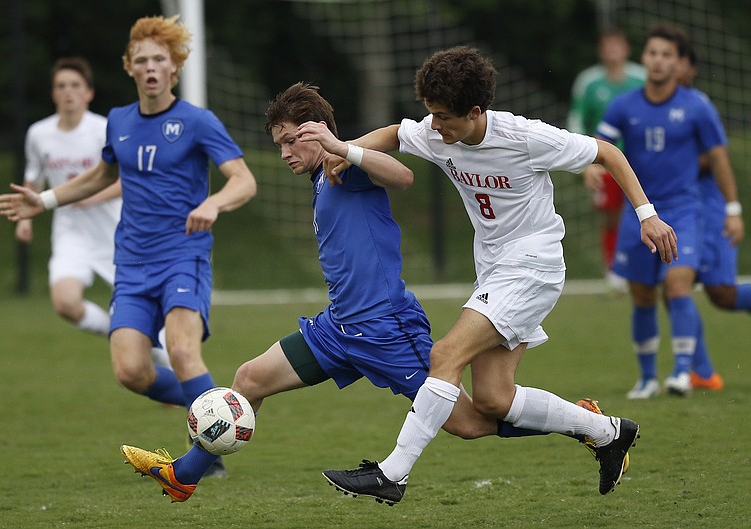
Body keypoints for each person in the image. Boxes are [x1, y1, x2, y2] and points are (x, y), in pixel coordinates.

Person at [118, 82, 623, 503]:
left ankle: (584, 424)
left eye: (294, 140)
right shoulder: (323, 176)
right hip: (338, 328)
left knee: (471, 421)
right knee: (248, 378)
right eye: (279, 144)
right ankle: (183, 477)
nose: (286, 152)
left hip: (386, 328)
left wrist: (348, 150)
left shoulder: (347, 167)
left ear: (320, 133)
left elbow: (401, 175)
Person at [321, 45, 677, 505]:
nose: (435, 126)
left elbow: (607, 152)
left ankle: (392, 474)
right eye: (431, 115)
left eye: (445, 117)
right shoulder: (438, 131)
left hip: (532, 265)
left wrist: (647, 215)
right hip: (495, 270)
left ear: (475, 111)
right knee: (493, 400)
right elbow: (394, 133)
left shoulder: (524, 137)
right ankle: (606, 432)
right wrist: (349, 152)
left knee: (445, 355)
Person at [0, 15, 257, 476]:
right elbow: (104, 174)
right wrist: (47, 199)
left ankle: (201, 460)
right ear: (130, 69)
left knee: (180, 350)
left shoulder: (197, 121)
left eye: (160, 59)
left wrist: (215, 203)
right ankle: (219, 414)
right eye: (142, 61)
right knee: (130, 371)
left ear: (174, 67)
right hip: (132, 262)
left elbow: (244, 180)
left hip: (183, 254)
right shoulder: (118, 121)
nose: (151, 67)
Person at [592, 24, 743, 399]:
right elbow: (599, 145)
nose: (659, 61)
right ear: (643, 59)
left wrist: (733, 208)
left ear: (678, 64)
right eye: (653, 53)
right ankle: (646, 379)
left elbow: (720, 158)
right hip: (640, 210)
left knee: (678, 285)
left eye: (667, 55)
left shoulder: (696, 106)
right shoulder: (624, 104)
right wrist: (591, 168)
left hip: (684, 210)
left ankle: (681, 372)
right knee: (642, 295)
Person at [19, 57, 171, 369]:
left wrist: (91, 194)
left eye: (75, 85)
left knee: (152, 318)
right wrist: (23, 218)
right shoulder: (39, 134)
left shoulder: (105, 129)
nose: (68, 92)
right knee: (65, 302)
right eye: (61, 86)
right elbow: (33, 181)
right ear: (53, 94)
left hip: (117, 233)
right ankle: (118, 334)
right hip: (70, 234)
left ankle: (166, 364)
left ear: (88, 92)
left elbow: (132, 179)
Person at [678, 46, 747, 391]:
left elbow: (713, 158)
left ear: (690, 68)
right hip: (678, 209)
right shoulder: (643, 105)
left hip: (707, 209)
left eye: (675, 58)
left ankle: (701, 371)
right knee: (675, 286)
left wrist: (663, 157)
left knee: (722, 293)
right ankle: (702, 372)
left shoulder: (697, 106)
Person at [567, 28, 646, 292]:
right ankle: (613, 268)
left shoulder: (641, 78)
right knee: (612, 216)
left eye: (617, 45)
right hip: (604, 161)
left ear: (626, 49)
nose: (612, 51)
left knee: (643, 211)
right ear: (601, 51)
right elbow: (577, 119)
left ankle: (643, 265)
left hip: (641, 160)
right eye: (607, 46)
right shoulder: (589, 82)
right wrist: (585, 157)